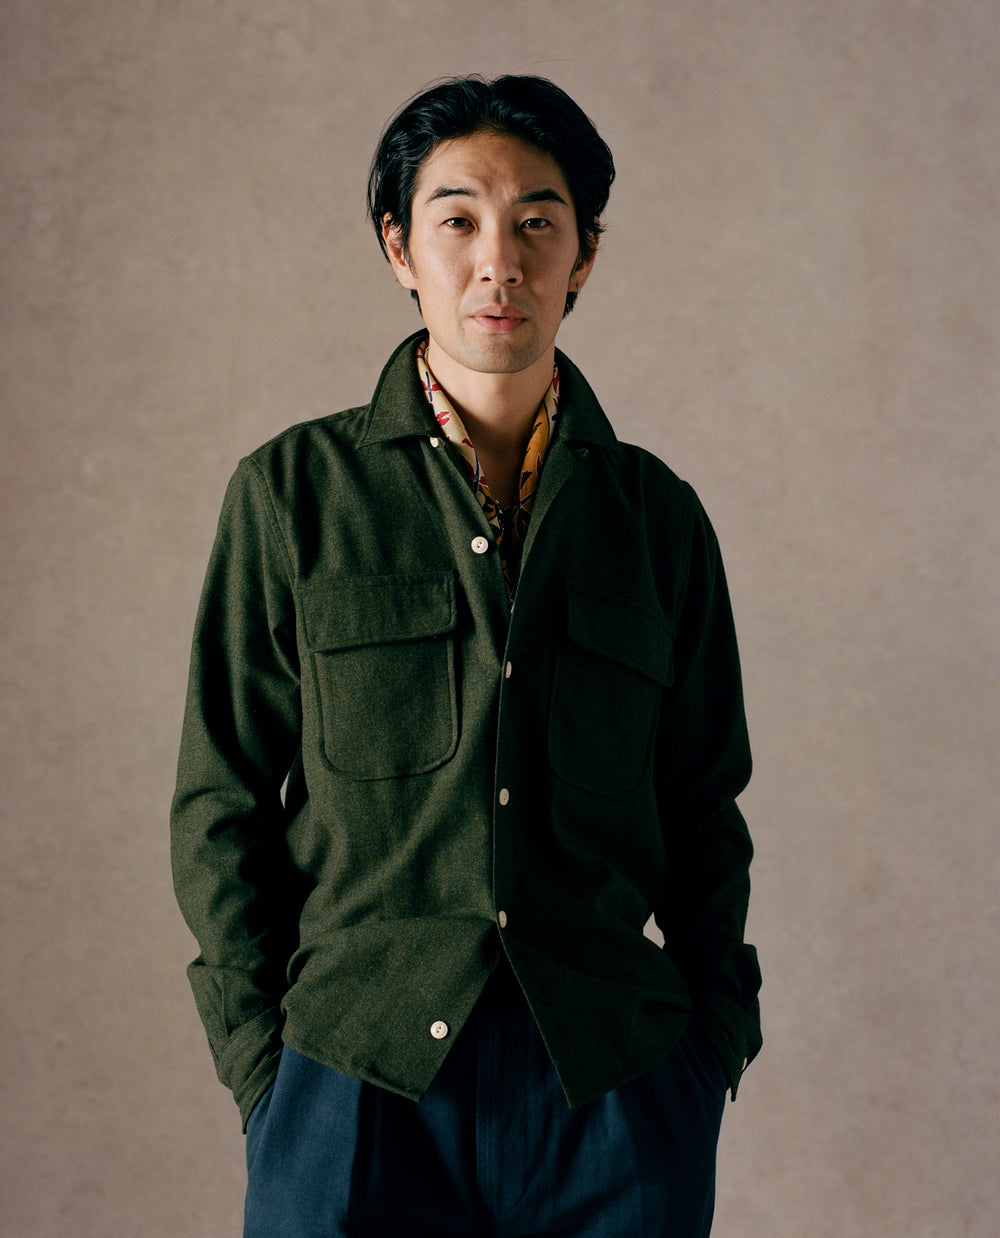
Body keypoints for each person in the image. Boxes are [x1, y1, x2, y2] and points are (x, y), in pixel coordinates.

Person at [171, 74, 762, 1238]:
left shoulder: (656, 519)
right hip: (354, 1077)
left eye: (538, 222)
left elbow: (704, 803)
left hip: (612, 1091)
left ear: (585, 253)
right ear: (399, 246)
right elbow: (218, 798)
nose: (500, 261)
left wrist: (708, 1050)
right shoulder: (293, 495)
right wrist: (264, 1068)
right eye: (458, 220)